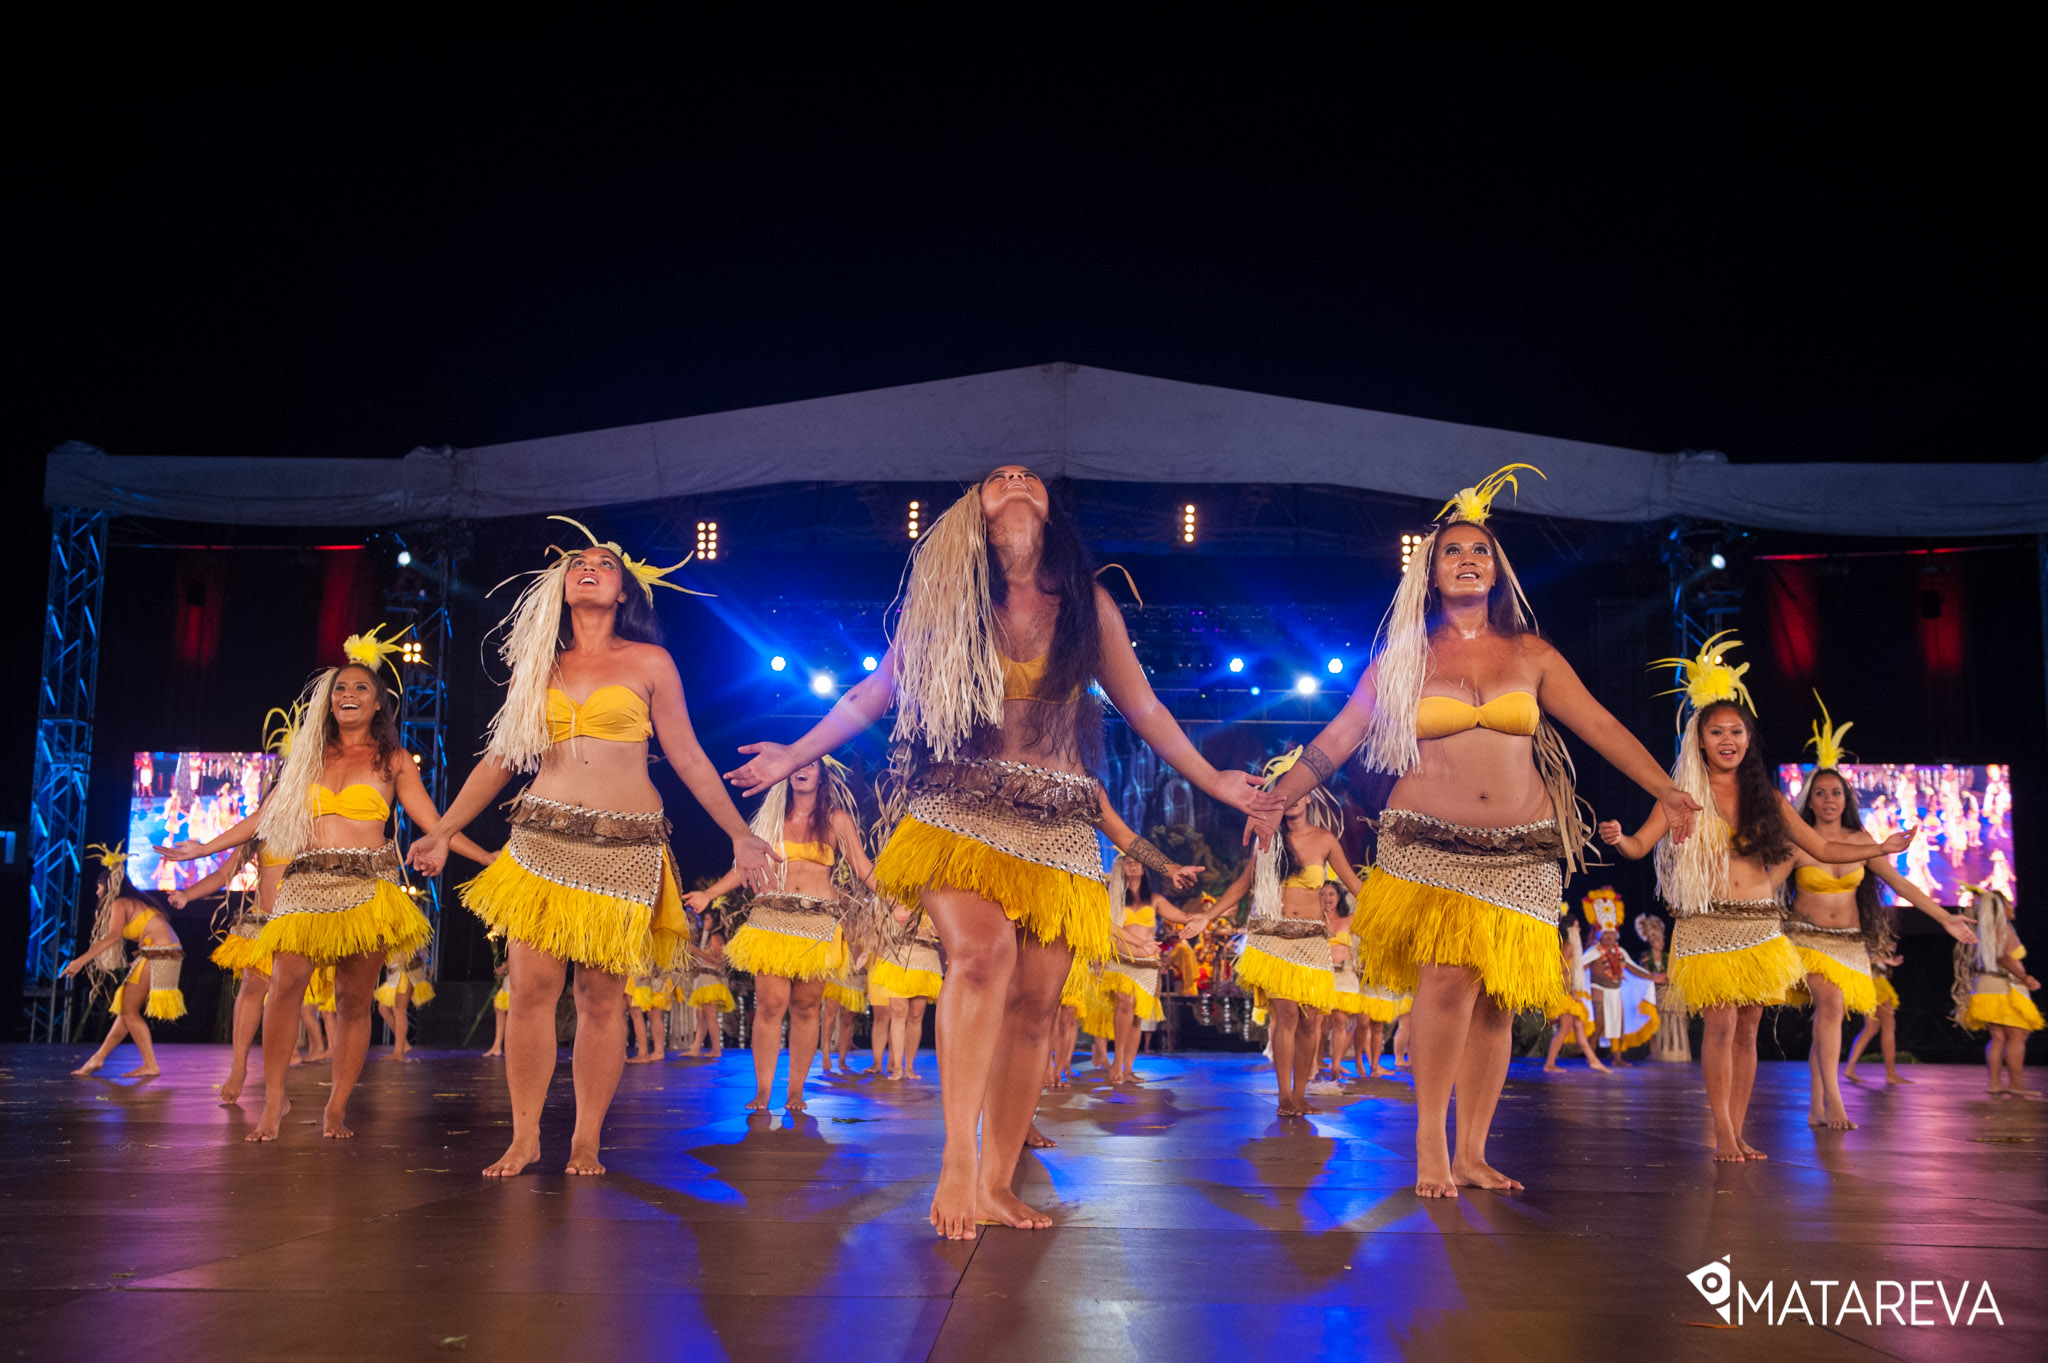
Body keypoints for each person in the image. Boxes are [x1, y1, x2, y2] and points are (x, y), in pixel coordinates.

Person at [724, 467, 1276, 1237]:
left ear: (1050, 512)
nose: (1015, 477)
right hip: (958, 809)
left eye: (1029, 477)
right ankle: (957, 1162)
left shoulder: (1086, 603)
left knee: (1037, 1000)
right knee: (983, 954)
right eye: (997, 477)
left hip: (1057, 823)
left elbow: (1145, 705)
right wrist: (792, 755)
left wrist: (1215, 778)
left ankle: (995, 1179)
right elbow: (871, 692)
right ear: (972, 514)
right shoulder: (946, 600)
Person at [1254, 465, 1702, 1195]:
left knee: (1497, 999)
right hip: (1431, 845)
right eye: (1453, 551)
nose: (1467, 560)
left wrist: (1667, 790)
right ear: (1430, 573)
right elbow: (1338, 738)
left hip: (1523, 851)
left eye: (1480, 551)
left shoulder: (1531, 653)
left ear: (1497, 570)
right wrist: (1282, 794)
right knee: (1446, 983)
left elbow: (1599, 726)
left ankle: (1472, 1151)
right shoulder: (1405, 659)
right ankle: (1431, 1142)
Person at [411, 522, 775, 1175]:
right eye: (579, 561)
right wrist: (441, 829)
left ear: (624, 591)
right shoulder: (539, 665)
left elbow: (688, 756)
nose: (589, 567)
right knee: (530, 991)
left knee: (601, 997)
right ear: (562, 585)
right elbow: (499, 761)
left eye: (605, 564)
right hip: (542, 839)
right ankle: (525, 1136)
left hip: (624, 844)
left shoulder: (650, 662)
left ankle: (585, 1138)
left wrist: (738, 832)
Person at [1599, 636, 1919, 1161]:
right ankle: (1722, 1131)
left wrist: (1880, 847)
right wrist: (1620, 839)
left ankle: (1739, 1130)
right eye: (1717, 732)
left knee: (1748, 1028)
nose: (1728, 740)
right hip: (1706, 924)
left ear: (1749, 739)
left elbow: (1820, 846)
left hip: (1759, 925)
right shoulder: (1682, 796)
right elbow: (1640, 845)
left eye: (1737, 732)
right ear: (1700, 740)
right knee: (1721, 1022)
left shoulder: (1765, 797)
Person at [1788, 698, 1973, 1127]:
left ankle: (1816, 1104)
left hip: (1849, 943)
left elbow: (1902, 885)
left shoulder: (1862, 840)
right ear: (1810, 801)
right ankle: (1835, 1101)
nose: (1829, 799)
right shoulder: (1797, 842)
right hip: (1806, 939)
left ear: (1846, 799)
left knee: (1829, 1016)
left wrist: (1945, 917)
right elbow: (1763, 883)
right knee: (1831, 1005)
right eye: (1820, 792)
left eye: (1836, 792)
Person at [691, 756, 873, 1113]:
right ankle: (762, 1090)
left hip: (817, 925)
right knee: (770, 1005)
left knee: (806, 1007)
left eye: (811, 765)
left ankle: (795, 1092)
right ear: (786, 775)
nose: (802, 770)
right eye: (797, 766)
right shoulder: (771, 818)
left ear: (822, 775)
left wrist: (895, 902)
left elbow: (863, 867)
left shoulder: (836, 820)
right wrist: (709, 894)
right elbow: (743, 865)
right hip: (772, 920)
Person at [1194, 757, 1361, 1115]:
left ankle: (1301, 1094)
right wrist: (1206, 915)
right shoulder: (1267, 839)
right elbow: (1242, 885)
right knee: (1285, 1015)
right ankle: (1284, 1095)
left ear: (1309, 796)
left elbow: (1355, 885)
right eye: (1284, 792)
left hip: (1312, 942)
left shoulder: (1325, 840)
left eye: (1298, 791)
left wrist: (1395, 910)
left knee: (1311, 1020)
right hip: (1272, 939)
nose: (1292, 798)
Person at [61, 844, 185, 1078]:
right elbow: (152, 931)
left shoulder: (121, 903)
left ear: (108, 885)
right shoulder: (136, 902)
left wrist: (80, 961)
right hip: (163, 954)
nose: (97, 892)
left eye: (98, 887)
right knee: (126, 1010)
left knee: (128, 1010)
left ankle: (150, 1064)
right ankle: (98, 1058)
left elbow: (113, 937)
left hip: (158, 955)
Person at [1953, 885, 2042, 1096]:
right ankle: (2016, 1085)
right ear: (2000, 908)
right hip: (2003, 987)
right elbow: (2003, 958)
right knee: (2018, 1035)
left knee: (1999, 1037)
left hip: (1985, 985)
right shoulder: (2003, 928)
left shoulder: (1986, 928)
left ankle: (1994, 1084)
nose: (2013, 907)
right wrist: (2025, 978)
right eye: (2009, 904)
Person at [1543, 919, 1608, 1074]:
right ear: (1570, 928)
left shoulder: (1571, 946)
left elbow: (1572, 970)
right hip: (1564, 993)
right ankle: (1549, 1064)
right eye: (1577, 926)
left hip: (1568, 992)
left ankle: (1593, 1060)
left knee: (1578, 1027)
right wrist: (1570, 993)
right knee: (1565, 1029)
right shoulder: (1568, 945)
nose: (1579, 929)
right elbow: (1561, 971)